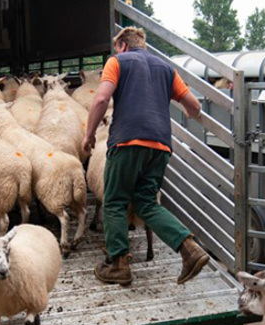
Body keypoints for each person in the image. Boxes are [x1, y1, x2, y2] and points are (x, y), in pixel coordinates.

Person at [81, 27, 209, 286]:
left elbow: (102, 99)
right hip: (160, 145)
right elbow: (194, 106)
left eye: (117, 48)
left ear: (122, 45)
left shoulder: (117, 61)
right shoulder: (167, 69)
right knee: (146, 203)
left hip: (127, 141)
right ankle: (190, 248)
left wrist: (89, 135)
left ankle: (118, 264)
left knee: (115, 201)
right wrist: (191, 114)